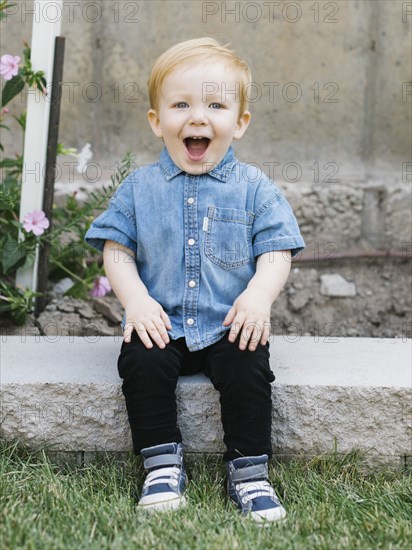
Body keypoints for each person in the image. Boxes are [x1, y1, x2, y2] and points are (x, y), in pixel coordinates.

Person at [85, 37, 305, 523]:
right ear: (155, 120)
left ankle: (249, 473)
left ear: (240, 123)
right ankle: (161, 466)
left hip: (230, 324)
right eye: (181, 104)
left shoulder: (254, 188)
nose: (198, 117)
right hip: (160, 322)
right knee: (142, 363)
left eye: (216, 105)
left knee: (249, 369)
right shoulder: (139, 188)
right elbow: (115, 249)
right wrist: (137, 302)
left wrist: (258, 297)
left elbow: (277, 249)